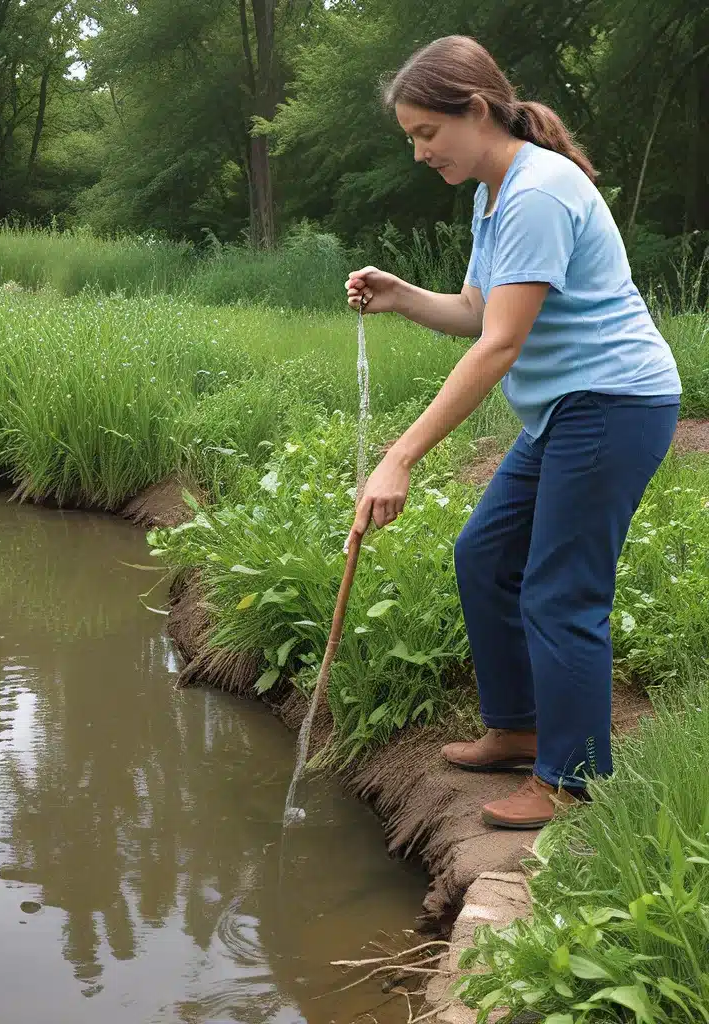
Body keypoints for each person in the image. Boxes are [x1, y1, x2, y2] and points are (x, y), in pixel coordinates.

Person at [343, 35, 681, 830]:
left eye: (428, 132)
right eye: (411, 138)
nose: (421, 152)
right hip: (569, 408)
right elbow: (474, 313)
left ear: (479, 109)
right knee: (485, 555)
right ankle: (522, 726)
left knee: (562, 592)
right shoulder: (492, 194)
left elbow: (501, 345)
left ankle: (570, 777)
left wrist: (400, 456)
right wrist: (400, 295)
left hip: (612, 402)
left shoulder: (536, 191)